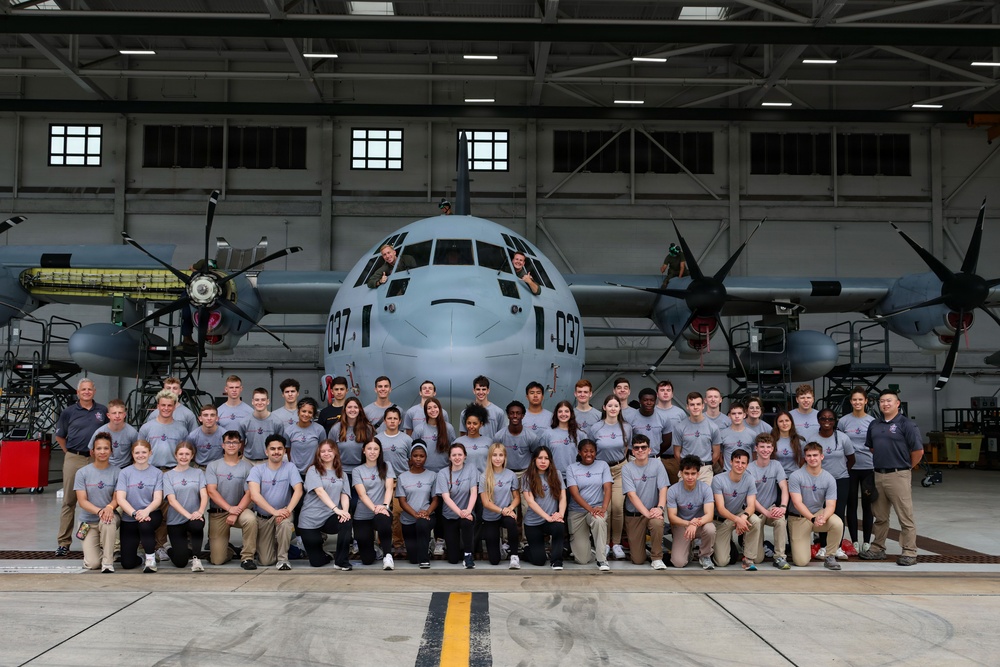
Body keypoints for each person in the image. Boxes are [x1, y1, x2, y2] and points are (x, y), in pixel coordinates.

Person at [859, 389, 923, 567]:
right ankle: (878, 548)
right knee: (879, 516)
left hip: (899, 474)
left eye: (889, 401)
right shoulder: (874, 424)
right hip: (878, 474)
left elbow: (918, 451)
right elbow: (872, 447)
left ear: (897, 403)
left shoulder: (906, 424)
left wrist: (906, 466)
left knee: (905, 516)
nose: (885, 404)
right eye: (882, 401)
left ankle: (909, 551)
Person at [55, 377, 108, 556]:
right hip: (74, 458)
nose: (86, 392)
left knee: (96, 500)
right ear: (78, 393)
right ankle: (63, 543)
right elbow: (60, 436)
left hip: (95, 460)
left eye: (89, 389)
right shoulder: (68, 412)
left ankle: (97, 540)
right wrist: (69, 453)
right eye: (83, 389)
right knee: (69, 501)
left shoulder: (102, 411)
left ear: (94, 391)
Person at [247, 435, 303, 570]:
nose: (276, 452)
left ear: (284, 451)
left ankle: (283, 560)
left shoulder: (290, 467)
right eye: (272, 449)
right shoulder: (257, 470)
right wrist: (274, 512)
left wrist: (287, 511)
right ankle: (288, 548)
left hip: (284, 513)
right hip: (264, 517)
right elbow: (254, 495)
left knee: (285, 525)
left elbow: (299, 490)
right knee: (266, 561)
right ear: (266, 452)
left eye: (280, 449)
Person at [205, 430, 258, 569]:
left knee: (251, 519)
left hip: (240, 510)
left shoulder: (247, 467)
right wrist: (229, 509)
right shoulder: (213, 466)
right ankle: (229, 550)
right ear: (223, 445)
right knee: (217, 560)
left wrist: (235, 512)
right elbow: (211, 490)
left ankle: (247, 557)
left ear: (240, 445)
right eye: (228, 442)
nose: (231, 445)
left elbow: (249, 493)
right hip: (218, 513)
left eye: (235, 442)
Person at [587, 395, 632, 560]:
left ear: (620, 408)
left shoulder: (626, 427)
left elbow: (628, 447)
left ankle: (617, 543)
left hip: (620, 469)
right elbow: (590, 449)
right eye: (610, 406)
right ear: (604, 407)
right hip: (601, 470)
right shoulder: (596, 428)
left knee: (618, 507)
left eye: (616, 406)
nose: (613, 409)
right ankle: (604, 543)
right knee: (606, 508)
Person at [297, 439, 353, 570]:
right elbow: (319, 491)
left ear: (335, 452)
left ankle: (341, 561)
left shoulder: (342, 474)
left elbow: (344, 494)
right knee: (317, 562)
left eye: (329, 450)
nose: (326, 453)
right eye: (322, 451)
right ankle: (325, 555)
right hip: (310, 519)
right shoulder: (313, 470)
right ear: (318, 454)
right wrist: (336, 509)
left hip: (330, 517)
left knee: (346, 521)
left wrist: (344, 511)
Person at [788, 442, 844, 570]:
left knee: (837, 523)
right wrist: (812, 519)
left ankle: (830, 556)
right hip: (799, 518)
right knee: (801, 561)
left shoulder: (829, 478)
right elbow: (797, 503)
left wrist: (823, 517)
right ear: (805, 458)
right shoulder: (796, 476)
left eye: (815, 455)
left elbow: (830, 504)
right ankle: (802, 546)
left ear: (822, 457)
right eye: (809, 455)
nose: (812, 458)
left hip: (817, 514)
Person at [73, 432, 120, 572]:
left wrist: (109, 508)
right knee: (92, 564)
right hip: (88, 522)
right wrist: (100, 511)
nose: (102, 452)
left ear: (111, 451)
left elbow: (117, 497)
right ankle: (99, 556)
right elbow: (82, 501)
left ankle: (107, 562)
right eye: (99, 448)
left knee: (107, 520)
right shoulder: (82, 473)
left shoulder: (117, 472)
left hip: (110, 517)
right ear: (92, 451)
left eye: (106, 448)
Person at [621, 434, 669, 569]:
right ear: (632, 451)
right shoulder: (627, 468)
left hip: (654, 511)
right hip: (635, 515)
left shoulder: (657, 464)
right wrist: (647, 513)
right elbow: (631, 495)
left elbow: (663, 488)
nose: (640, 450)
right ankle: (644, 549)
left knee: (657, 522)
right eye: (637, 448)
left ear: (649, 450)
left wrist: (659, 508)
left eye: (643, 447)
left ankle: (656, 557)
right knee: (638, 560)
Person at [115, 440, 164, 572]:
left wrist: (146, 512)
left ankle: (150, 559)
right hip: (130, 516)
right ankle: (141, 559)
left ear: (150, 453)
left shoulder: (157, 473)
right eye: (137, 452)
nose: (140, 455)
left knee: (144, 524)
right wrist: (135, 513)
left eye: (144, 452)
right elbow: (120, 498)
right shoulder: (124, 473)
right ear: (132, 454)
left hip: (151, 514)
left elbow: (158, 499)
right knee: (127, 563)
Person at [565, 439, 612, 571]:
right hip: (577, 512)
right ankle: (589, 550)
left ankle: (602, 559)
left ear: (596, 453)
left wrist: (603, 507)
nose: (589, 454)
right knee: (582, 560)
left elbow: (608, 488)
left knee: (599, 521)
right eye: (585, 451)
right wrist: (590, 509)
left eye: (592, 451)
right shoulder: (572, 468)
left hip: (597, 509)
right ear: (579, 452)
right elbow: (574, 493)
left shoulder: (603, 465)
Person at [711, 449, 762, 570]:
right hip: (721, 521)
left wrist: (743, 517)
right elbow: (721, 508)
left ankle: (748, 559)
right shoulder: (718, 479)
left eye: (743, 463)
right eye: (737, 462)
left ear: (747, 465)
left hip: (738, 515)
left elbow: (751, 506)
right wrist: (737, 520)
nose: (740, 465)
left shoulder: (749, 479)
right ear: (731, 462)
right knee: (722, 562)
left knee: (755, 520)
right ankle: (728, 543)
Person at [839, 387, 875, 554]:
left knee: (868, 506)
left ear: (866, 401)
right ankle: (854, 540)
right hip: (850, 469)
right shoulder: (844, 422)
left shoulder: (872, 421)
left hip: (869, 468)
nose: (857, 402)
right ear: (851, 402)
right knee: (851, 505)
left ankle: (867, 541)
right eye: (854, 400)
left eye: (861, 399)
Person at [815, 408, 855, 560]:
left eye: (830, 419)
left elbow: (851, 459)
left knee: (838, 513)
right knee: (822, 513)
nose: (827, 422)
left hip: (840, 480)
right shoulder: (812, 438)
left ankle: (837, 547)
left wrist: (841, 471)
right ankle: (823, 546)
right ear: (818, 420)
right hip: (819, 481)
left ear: (835, 421)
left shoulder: (843, 438)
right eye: (823, 419)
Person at [747, 433, 791, 570]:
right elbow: (750, 497)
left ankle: (779, 557)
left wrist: (783, 507)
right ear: (756, 448)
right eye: (762, 447)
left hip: (771, 507)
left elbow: (784, 487)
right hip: (755, 510)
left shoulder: (776, 465)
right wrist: (765, 512)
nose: (765, 450)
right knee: (758, 559)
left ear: (773, 449)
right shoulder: (749, 468)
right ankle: (763, 547)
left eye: (768, 447)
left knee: (780, 520)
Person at [163, 442, 208, 572]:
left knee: (197, 524)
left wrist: (199, 512)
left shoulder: (198, 473)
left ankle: (196, 558)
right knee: (180, 562)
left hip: (194, 516)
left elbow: (204, 495)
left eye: (187, 454)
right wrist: (188, 515)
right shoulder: (168, 476)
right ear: (175, 455)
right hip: (175, 520)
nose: (184, 457)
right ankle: (169, 548)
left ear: (192, 456)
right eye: (181, 454)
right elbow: (171, 500)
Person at [666, 455, 716, 569]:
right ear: (681, 473)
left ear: (698, 474)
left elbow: (709, 515)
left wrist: (695, 524)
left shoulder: (706, 489)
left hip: (700, 525)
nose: (690, 477)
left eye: (693, 474)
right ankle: (688, 550)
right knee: (678, 563)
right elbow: (672, 517)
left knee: (710, 528)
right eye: (686, 473)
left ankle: (705, 556)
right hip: (682, 525)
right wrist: (689, 524)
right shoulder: (673, 490)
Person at [353, 438, 396, 569]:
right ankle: (375, 550)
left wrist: (385, 506)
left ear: (380, 451)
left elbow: (389, 488)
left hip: (382, 510)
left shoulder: (386, 466)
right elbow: (361, 494)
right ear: (363, 451)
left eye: (376, 449)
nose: (372, 452)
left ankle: (387, 556)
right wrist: (374, 508)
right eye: (369, 449)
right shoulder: (357, 470)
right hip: (362, 515)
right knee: (367, 560)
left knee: (383, 520)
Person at [522, 446, 567, 570]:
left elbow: (563, 497)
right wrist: (547, 517)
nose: (543, 461)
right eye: (540, 458)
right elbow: (530, 502)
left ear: (550, 461)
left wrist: (560, 514)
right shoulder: (527, 476)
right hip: (533, 523)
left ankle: (557, 561)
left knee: (559, 526)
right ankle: (527, 549)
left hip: (551, 519)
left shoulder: (556, 474)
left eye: (546, 458)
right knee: (539, 560)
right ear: (534, 460)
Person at [396, 441, 439, 568]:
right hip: (408, 519)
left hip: (427, 516)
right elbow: (402, 501)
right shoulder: (403, 477)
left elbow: (436, 499)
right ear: (411, 457)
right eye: (415, 456)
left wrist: (427, 512)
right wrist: (415, 514)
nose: (418, 459)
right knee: (413, 559)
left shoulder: (432, 475)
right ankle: (427, 546)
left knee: (422, 524)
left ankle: (425, 560)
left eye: (422, 456)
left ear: (426, 457)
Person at [436, 443, 479, 568]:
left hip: (467, 513)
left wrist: (468, 511)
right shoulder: (443, 473)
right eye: (454, 455)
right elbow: (446, 497)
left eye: (460, 454)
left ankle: (468, 554)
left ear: (465, 456)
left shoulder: (471, 468)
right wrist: (461, 512)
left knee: (466, 522)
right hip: (450, 515)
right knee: (453, 559)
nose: (457, 457)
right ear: (449, 457)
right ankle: (451, 547)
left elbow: (474, 492)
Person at [479, 443, 522, 568]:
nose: (497, 458)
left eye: (500, 455)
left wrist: (510, 508)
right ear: (490, 457)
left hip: (505, 512)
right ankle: (499, 547)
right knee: (494, 560)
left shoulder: (511, 475)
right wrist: (503, 510)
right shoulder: (484, 477)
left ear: (505, 457)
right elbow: (486, 503)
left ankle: (514, 555)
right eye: (494, 455)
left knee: (511, 522)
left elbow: (517, 497)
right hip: (491, 516)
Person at [378, 406, 412, 558]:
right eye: (389, 418)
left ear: (399, 421)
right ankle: (381, 541)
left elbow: (412, 460)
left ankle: (398, 542)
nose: (392, 421)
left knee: (398, 512)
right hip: (382, 480)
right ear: (385, 420)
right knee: (383, 512)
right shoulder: (377, 438)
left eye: (395, 418)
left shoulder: (406, 439)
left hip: (400, 480)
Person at [672, 392, 721, 486]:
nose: (695, 407)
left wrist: (707, 465)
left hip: (705, 470)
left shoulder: (713, 427)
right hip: (686, 470)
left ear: (703, 406)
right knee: (684, 499)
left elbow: (716, 453)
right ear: (687, 406)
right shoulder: (679, 427)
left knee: (706, 499)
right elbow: (677, 453)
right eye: (692, 404)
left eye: (698, 404)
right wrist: (685, 467)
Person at [138, 389, 189, 471]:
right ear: (158, 406)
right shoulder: (146, 428)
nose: (166, 408)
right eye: (163, 405)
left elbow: (185, 453)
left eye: (169, 405)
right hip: (150, 470)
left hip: (174, 471)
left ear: (174, 407)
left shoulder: (182, 430)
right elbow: (139, 452)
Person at [87, 398, 138, 470]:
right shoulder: (100, 432)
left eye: (120, 413)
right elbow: (92, 452)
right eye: (114, 413)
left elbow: (137, 452)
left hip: (125, 468)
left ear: (124, 415)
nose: (117, 416)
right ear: (108, 415)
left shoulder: (132, 433)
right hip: (105, 467)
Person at [239, 387, 284, 464]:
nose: (260, 402)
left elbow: (280, 445)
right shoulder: (244, 422)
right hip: (248, 461)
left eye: (263, 400)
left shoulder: (277, 422)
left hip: (269, 461)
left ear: (268, 401)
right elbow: (241, 442)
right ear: (252, 402)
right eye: (257, 400)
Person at [285, 396, 328, 477]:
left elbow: (322, 450)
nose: (306, 414)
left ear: (313, 414)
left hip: (314, 472)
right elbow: (288, 451)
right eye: (303, 411)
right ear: (298, 412)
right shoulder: (288, 431)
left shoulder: (319, 429)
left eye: (310, 412)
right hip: (294, 473)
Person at [411, 397, 455, 473]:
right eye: (429, 408)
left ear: (440, 409)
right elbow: (412, 451)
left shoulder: (448, 428)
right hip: (424, 471)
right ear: (425, 411)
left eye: (435, 407)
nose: (433, 410)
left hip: (445, 470)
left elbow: (454, 449)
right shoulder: (419, 429)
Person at [654, 380, 686, 484]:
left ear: (672, 394)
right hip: (656, 458)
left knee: (675, 488)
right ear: (657, 394)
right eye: (662, 390)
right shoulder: (652, 412)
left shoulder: (680, 413)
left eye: (668, 390)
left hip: (675, 458)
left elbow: (685, 434)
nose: (665, 392)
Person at [627, 388, 670, 459]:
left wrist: (656, 453)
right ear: (640, 401)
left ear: (655, 401)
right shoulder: (630, 418)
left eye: (652, 400)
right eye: (645, 400)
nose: (649, 403)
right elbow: (626, 441)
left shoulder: (663, 417)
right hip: (635, 458)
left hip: (654, 457)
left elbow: (667, 442)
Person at [543, 400, 581, 473]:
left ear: (571, 413)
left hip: (575, 476)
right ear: (556, 414)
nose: (563, 414)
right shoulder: (548, 434)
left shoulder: (579, 434)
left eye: (566, 411)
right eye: (560, 411)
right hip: (554, 476)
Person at [455, 403, 493, 473]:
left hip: (484, 481)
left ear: (481, 424)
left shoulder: (489, 442)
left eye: (475, 423)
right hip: (464, 481)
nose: (471, 426)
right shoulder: (458, 442)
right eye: (469, 423)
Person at [718, 402, 754, 471]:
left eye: (739, 413)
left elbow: (754, 454)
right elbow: (719, 455)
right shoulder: (722, 434)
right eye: (733, 413)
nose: (737, 416)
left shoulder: (752, 434)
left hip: (747, 473)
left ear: (744, 415)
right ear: (729, 416)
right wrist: (725, 468)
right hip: (728, 472)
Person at [187, 404, 224, 468]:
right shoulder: (193, 436)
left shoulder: (225, 435)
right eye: (205, 415)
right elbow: (191, 453)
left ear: (217, 418)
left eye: (212, 415)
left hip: (219, 468)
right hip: (199, 468)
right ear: (200, 418)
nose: (209, 418)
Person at [771, 410, 804, 477]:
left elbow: (803, 462)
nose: (784, 423)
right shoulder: (771, 440)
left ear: (791, 422)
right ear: (776, 424)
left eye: (787, 420)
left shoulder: (800, 441)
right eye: (781, 421)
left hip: (794, 478)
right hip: (776, 478)